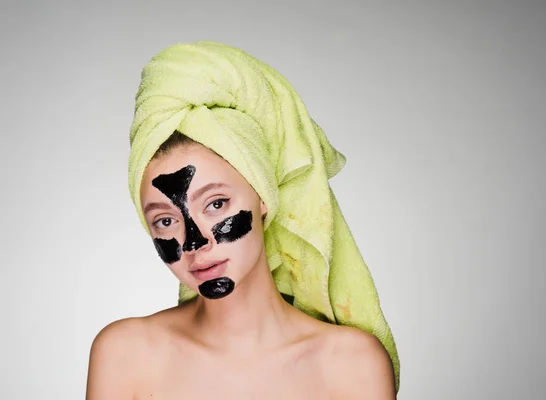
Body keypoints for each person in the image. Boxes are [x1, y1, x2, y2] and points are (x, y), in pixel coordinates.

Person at [86, 42, 399, 399]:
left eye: (216, 203)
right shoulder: (126, 354)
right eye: (165, 221)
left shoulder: (351, 364)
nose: (194, 243)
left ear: (263, 196)